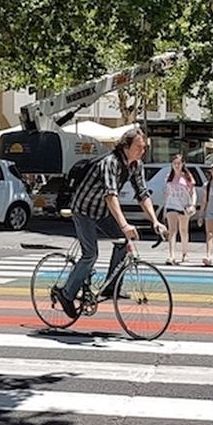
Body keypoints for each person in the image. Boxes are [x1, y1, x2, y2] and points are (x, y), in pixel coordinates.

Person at [54, 127, 165, 318]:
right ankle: (66, 294)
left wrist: (155, 221)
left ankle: (111, 288)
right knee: (90, 254)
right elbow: (110, 196)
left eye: (144, 148)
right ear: (126, 147)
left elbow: (142, 194)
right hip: (84, 210)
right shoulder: (110, 163)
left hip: (103, 212)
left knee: (123, 242)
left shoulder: (135, 165)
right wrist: (125, 225)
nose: (142, 151)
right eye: (139, 147)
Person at [160, 155, 197, 266]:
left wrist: (193, 205)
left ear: (182, 164)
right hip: (172, 205)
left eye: (179, 163)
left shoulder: (187, 177)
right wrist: (165, 208)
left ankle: (185, 253)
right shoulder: (169, 177)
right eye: (174, 163)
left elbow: (193, 192)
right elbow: (167, 193)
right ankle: (171, 255)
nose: (176, 165)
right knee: (172, 231)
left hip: (184, 205)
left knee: (184, 230)